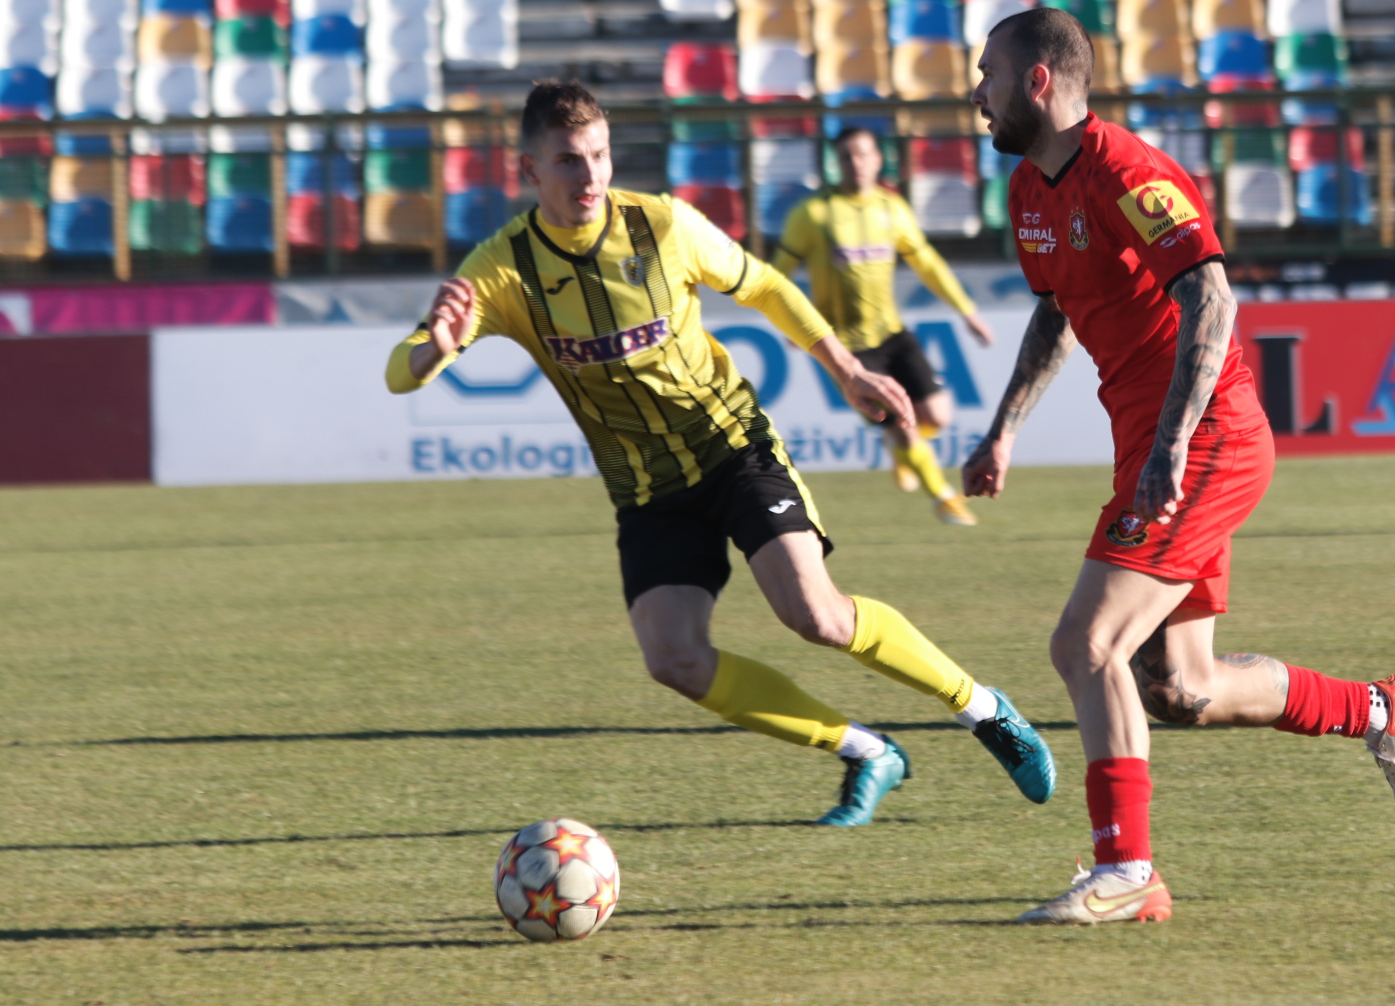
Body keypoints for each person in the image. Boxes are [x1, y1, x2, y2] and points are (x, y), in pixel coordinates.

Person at [386, 80, 1055, 827]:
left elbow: (766, 285)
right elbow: (399, 369)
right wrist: (434, 351)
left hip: (732, 446)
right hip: (645, 488)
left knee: (817, 615)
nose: (591, 177)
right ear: (530, 171)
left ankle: (983, 708)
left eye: (600, 156)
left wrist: (850, 370)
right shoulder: (503, 268)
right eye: (570, 161)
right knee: (673, 660)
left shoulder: (663, 226)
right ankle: (868, 751)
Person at [960, 9, 1395, 926]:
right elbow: (1056, 311)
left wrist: (1173, 442)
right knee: (1179, 687)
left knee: (1085, 645)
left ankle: (1127, 871)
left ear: (1039, 82)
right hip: (1156, 444)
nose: (974, 93)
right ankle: (1378, 709)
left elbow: (1209, 290)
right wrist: (1006, 428)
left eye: (987, 74)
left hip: (1205, 434)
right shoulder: (1029, 191)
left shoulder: (1128, 171)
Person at [774, 126, 995, 526]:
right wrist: (794, 324)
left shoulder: (892, 209)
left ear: (878, 159)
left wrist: (967, 311)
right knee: (906, 427)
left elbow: (926, 263)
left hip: (893, 334)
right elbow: (777, 276)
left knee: (938, 417)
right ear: (836, 164)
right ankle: (944, 499)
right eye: (846, 157)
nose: (855, 163)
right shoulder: (813, 214)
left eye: (862, 154)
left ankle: (900, 451)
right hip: (848, 349)